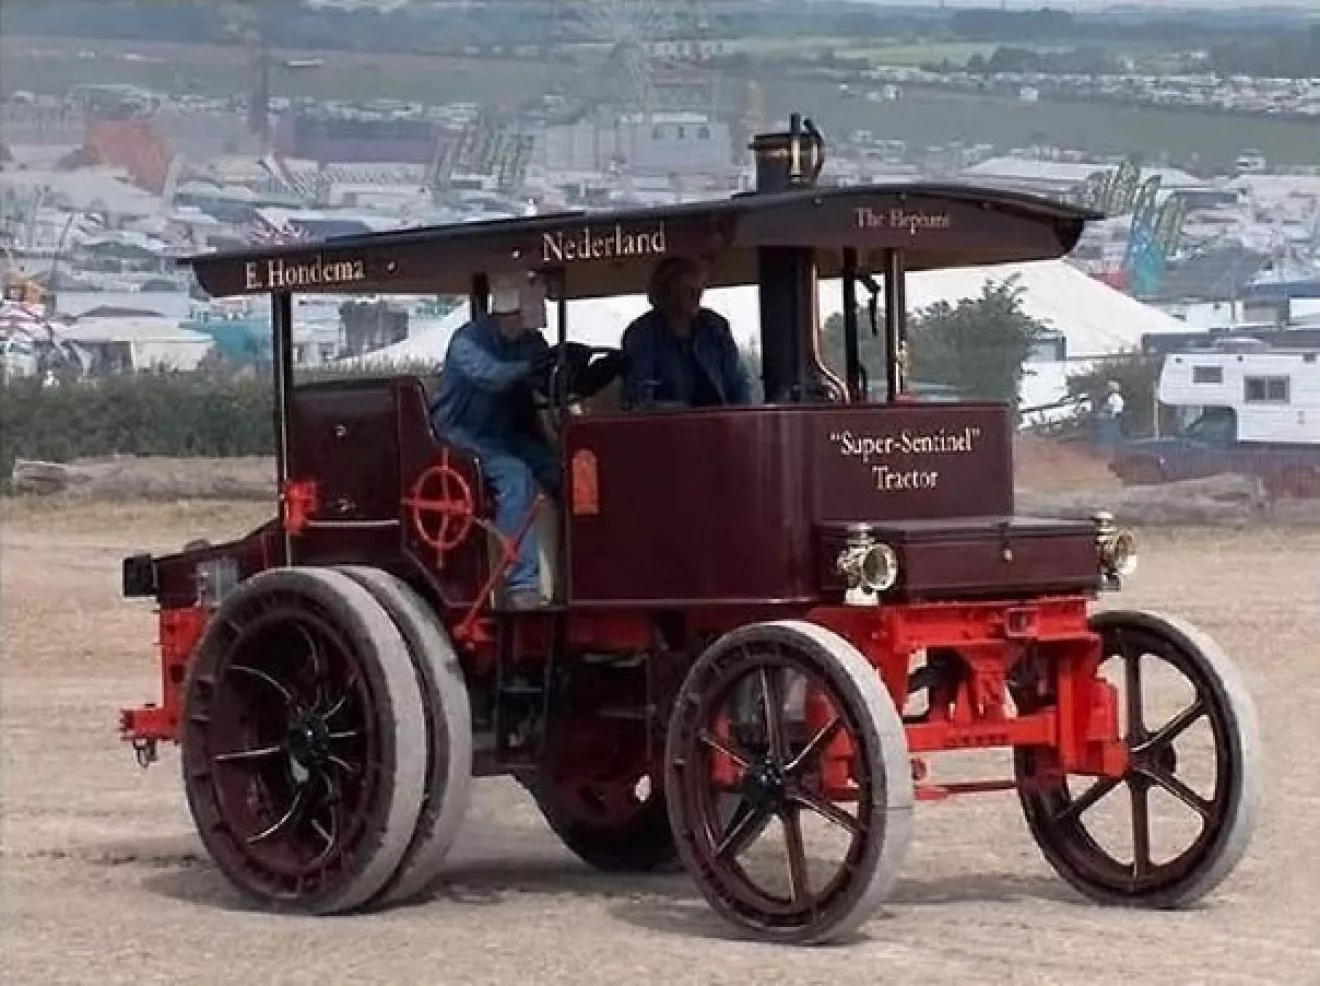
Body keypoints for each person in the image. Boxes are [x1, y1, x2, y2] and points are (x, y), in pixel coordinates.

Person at [429, 272, 559, 611]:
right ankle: (522, 584)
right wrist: (531, 366)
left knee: (563, 471)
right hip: (461, 433)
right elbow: (492, 377)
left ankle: (583, 567)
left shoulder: (530, 341)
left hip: (506, 431)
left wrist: (569, 365)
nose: (527, 325)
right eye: (521, 317)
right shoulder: (467, 342)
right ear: (506, 313)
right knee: (515, 476)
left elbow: (547, 379)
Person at [619, 256, 751, 409]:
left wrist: (740, 418)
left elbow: (738, 385)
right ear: (665, 290)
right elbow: (639, 398)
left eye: (700, 290)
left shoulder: (715, 327)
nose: (697, 296)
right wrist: (684, 413)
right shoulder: (641, 334)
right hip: (668, 423)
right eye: (688, 290)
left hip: (721, 421)